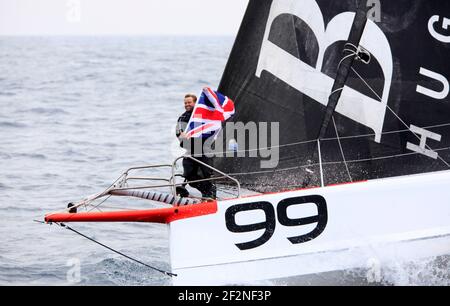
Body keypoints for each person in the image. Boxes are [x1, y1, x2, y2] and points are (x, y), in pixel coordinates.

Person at [175, 94, 216, 199]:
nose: (187, 105)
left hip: (205, 150)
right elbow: (178, 131)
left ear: (195, 103)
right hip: (191, 151)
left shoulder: (203, 114)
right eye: (185, 103)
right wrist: (181, 134)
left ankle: (211, 196)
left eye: (189, 102)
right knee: (189, 176)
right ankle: (206, 192)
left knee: (208, 175)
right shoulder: (182, 117)